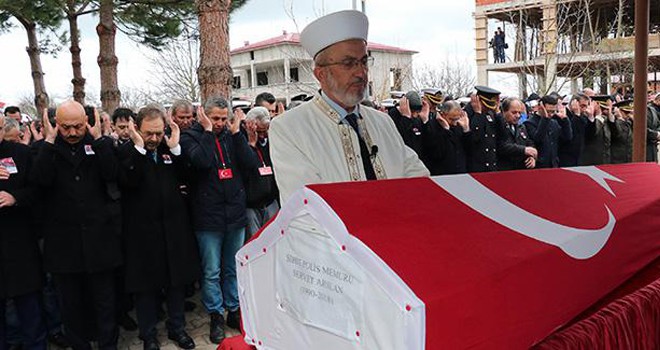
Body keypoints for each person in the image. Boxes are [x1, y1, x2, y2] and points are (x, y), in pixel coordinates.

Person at [270, 10, 429, 204]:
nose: (361, 72)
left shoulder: (383, 122)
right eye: (348, 63)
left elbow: (418, 178)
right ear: (320, 74)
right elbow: (305, 205)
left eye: (363, 61)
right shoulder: (289, 128)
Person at [31, 100, 122, 350]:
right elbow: (40, 180)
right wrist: (49, 142)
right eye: (66, 127)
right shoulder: (43, 149)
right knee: (70, 305)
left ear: (86, 123)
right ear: (55, 125)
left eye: (78, 127)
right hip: (64, 244)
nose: (72, 133)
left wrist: (100, 140)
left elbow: (112, 174)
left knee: (105, 302)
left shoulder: (98, 145)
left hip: (99, 241)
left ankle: (108, 345)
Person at [180, 96, 260, 344]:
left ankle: (233, 309)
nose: (220, 123)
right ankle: (215, 313)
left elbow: (251, 164)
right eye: (215, 118)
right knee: (212, 271)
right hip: (208, 215)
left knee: (231, 268)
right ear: (204, 115)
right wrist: (205, 132)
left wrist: (237, 135)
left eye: (223, 119)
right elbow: (201, 162)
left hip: (234, 212)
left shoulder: (230, 135)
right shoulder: (190, 137)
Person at [118, 106, 199, 350]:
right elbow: (128, 181)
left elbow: (190, 177)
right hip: (142, 233)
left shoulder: (169, 150)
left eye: (158, 133)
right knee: (146, 288)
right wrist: (139, 149)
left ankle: (178, 329)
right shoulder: (126, 152)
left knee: (175, 283)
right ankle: (149, 335)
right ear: (136, 128)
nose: (154, 138)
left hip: (173, 229)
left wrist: (175, 149)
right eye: (148, 133)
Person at [0, 116, 47, 350]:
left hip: (19, 242)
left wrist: (15, 197)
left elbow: (38, 189)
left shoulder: (20, 154)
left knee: (29, 306)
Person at [242, 107, 279, 240]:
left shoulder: (270, 141)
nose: (263, 135)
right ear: (250, 126)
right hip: (251, 205)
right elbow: (245, 165)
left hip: (270, 201)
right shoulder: (241, 140)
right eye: (260, 132)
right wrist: (251, 144)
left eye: (266, 131)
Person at [421, 100, 471, 175]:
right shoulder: (432, 127)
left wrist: (466, 129)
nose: (454, 123)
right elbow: (437, 153)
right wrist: (446, 130)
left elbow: (469, 149)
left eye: (457, 119)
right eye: (451, 119)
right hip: (442, 174)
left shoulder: (459, 125)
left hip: (460, 174)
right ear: (443, 114)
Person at [523, 94, 573, 168]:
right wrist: (545, 118)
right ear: (540, 107)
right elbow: (538, 139)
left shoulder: (554, 123)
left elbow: (567, 138)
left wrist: (565, 120)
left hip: (553, 164)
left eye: (553, 111)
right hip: (539, 165)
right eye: (548, 111)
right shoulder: (529, 123)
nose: (550, 114)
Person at [498, 97, 537, 170]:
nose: (518, 116)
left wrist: (531, 157)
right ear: (504, 112)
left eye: (519, 113)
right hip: (504, 170)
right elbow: (502, 146)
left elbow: (529, 142)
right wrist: (523, 150)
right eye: (514, 112)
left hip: (520, 170)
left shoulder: (521, 127)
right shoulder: (498, 126)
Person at [388, 90, 429, 157]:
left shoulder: (417, 119)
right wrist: (406, 118)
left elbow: (424, 142)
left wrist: (425, 121)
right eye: (412, 111)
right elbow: (402, 139)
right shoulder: (393, 116)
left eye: (417, 112)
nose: (415, 115)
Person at [558, 93, 590, 167]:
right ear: (574, 103)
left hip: (579, 158)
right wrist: (576, 115)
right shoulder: (562, 115)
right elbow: (570, 135)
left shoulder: (583, 116)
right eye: (582, 106)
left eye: (586, 106)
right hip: (565, 157)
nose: (584, 109)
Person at [582, 95, 613, 165]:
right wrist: (597, 117)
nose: (603, 112)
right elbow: (593, 133)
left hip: (605, 160)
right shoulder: (586, 119)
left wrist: (610, 115)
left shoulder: (605, 120)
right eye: (601, 109)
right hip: (592, 162)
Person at [610, 100, 633, 164]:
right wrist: (620, 118)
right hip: (617, 159)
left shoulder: (629, 122)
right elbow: (619, 134)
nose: (628, 115)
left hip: (628, 158)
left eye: (629, 112)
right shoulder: (614, 123)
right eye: (626, 112)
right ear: (619, 111)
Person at [646, 93, 660, 162]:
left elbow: (657, 124)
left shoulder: (653, 110)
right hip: (647, 146)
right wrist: (657, 134)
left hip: (652, 145)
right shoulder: (649, 110)